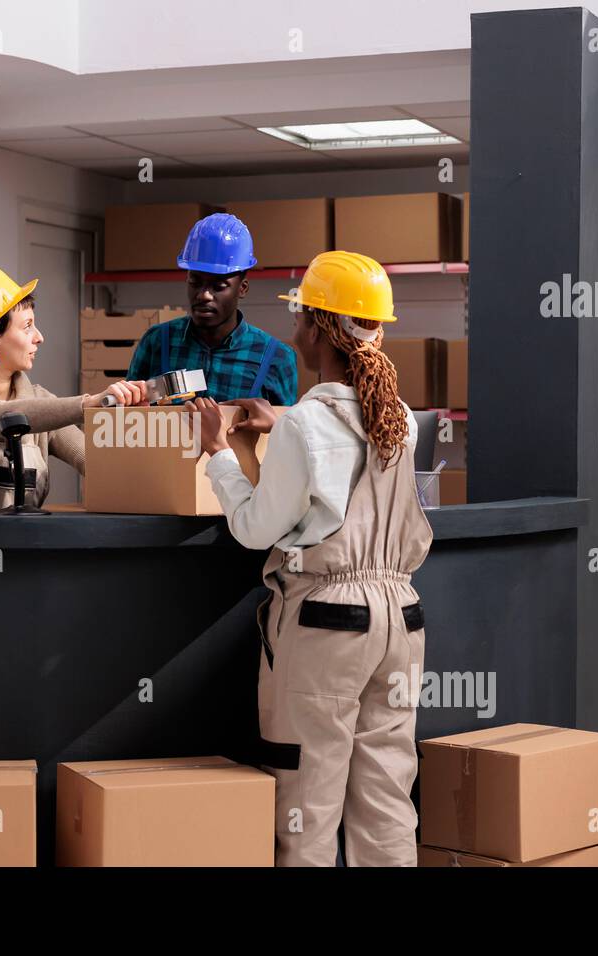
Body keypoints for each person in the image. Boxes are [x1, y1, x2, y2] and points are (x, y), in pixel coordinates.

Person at [189, 251, 432, 867]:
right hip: (401, 620)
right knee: (386, 796)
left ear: (318, 330)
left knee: (307, 798)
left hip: (329, 624)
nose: (291, 328)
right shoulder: (397, 417)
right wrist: (286, 425)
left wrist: (220, 452)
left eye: (299, 316)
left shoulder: (304, 425)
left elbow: (252, 528)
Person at [0, 266, 145, 513]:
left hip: (17, 548)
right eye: (27, 326)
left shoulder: (43, 403)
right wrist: (89, 404)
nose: (39, 337)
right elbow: (4, 415)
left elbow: (98, 464)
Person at [126, 213, 297, 405]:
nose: (204, 295)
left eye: (219, 286)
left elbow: (284, 432)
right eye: (195, 282)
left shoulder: (275, 358)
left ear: (242, 288)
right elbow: (126, 421)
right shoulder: (157, 342)